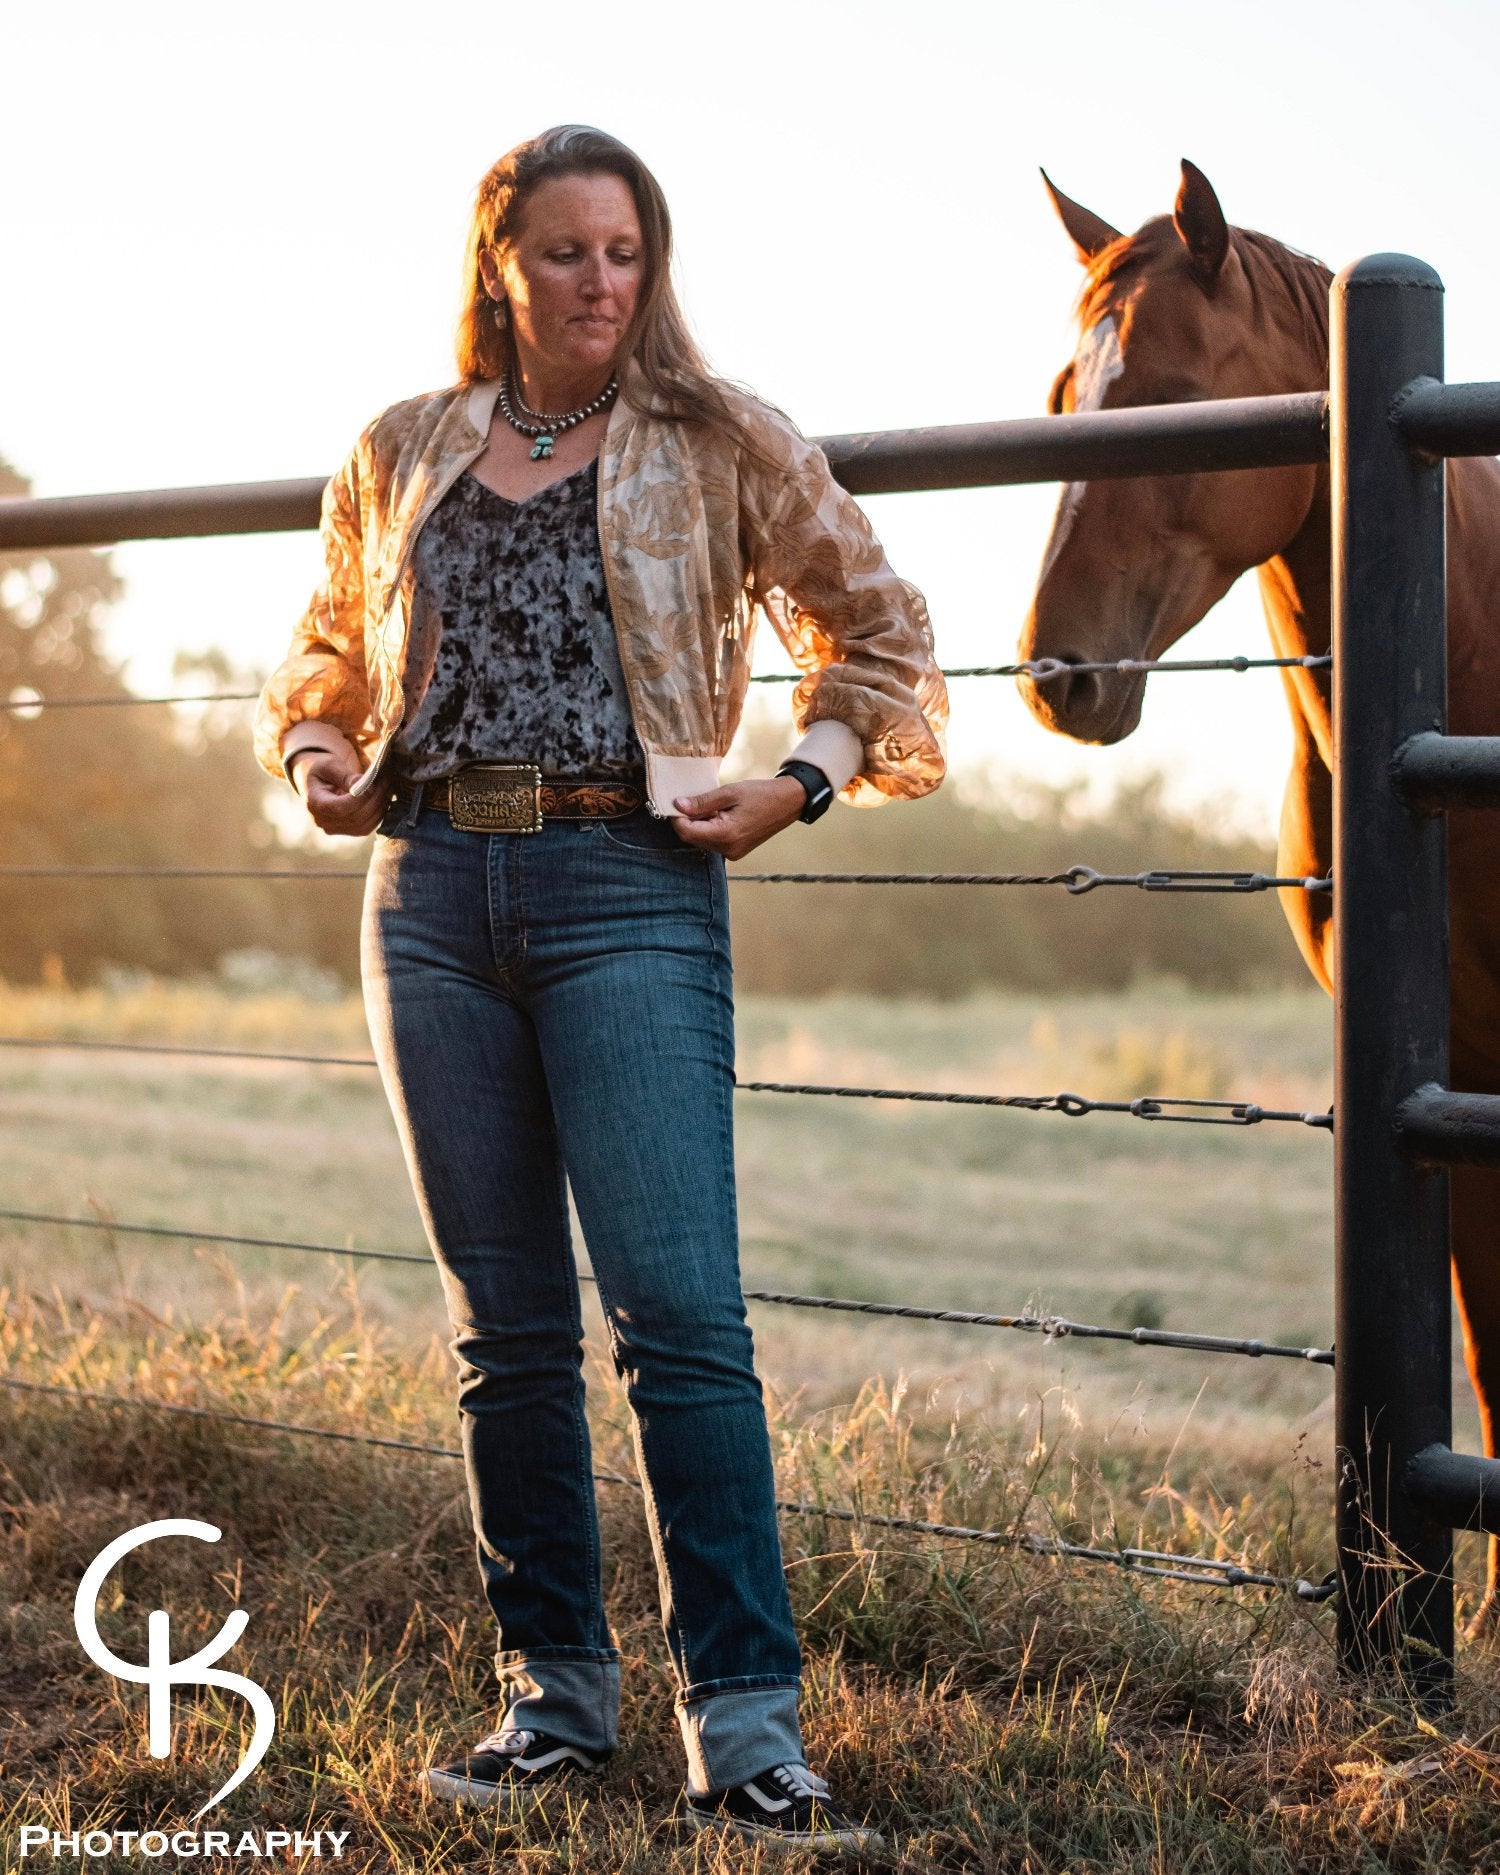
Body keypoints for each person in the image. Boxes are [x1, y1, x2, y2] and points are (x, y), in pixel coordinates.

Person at [253, 123, 946, 1854]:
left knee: (682, 1325)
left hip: (628, 886)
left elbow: (879, 631)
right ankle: (554, 1703)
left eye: (625, 251)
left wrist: (800, 783)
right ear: (502, 263)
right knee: (507, 1336)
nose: (600, 283)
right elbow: (326, 648)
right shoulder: (399, 446)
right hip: (425, 896)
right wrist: (321, 742)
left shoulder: (718, 438)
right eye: (565, 252)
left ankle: (750, 1729)